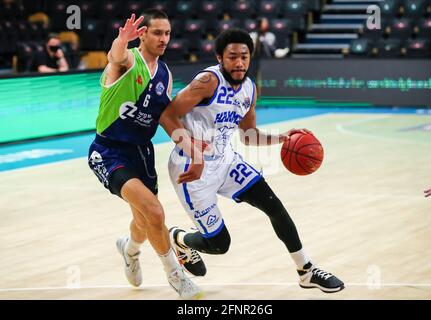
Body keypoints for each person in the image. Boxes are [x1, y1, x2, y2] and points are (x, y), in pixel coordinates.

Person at [159, 28, 345, 293]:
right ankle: (179, 238)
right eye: (232, 56)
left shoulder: (249, 89)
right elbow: (167, 115)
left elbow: (247, 136)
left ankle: (306, 270)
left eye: (244, 57)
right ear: (219, 57)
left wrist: (283, 137)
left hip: (226, 161)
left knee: (274, 205)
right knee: (219, 245)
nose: (239, 63)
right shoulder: (207, 82)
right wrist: (194, 152)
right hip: (191, 169)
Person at [87, 9, 203, 299]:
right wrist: (121, 41)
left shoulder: (165, 73)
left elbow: (165, 119)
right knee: (155, 212)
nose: (164, 39)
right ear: (143, 34)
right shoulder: (128, 60)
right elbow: (116, 57)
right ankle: (176, 276)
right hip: (109, 151)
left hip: (141, 153)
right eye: (157, 33)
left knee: (143, 221)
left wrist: (194, 151)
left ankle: (129, 249)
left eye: (167, 33)